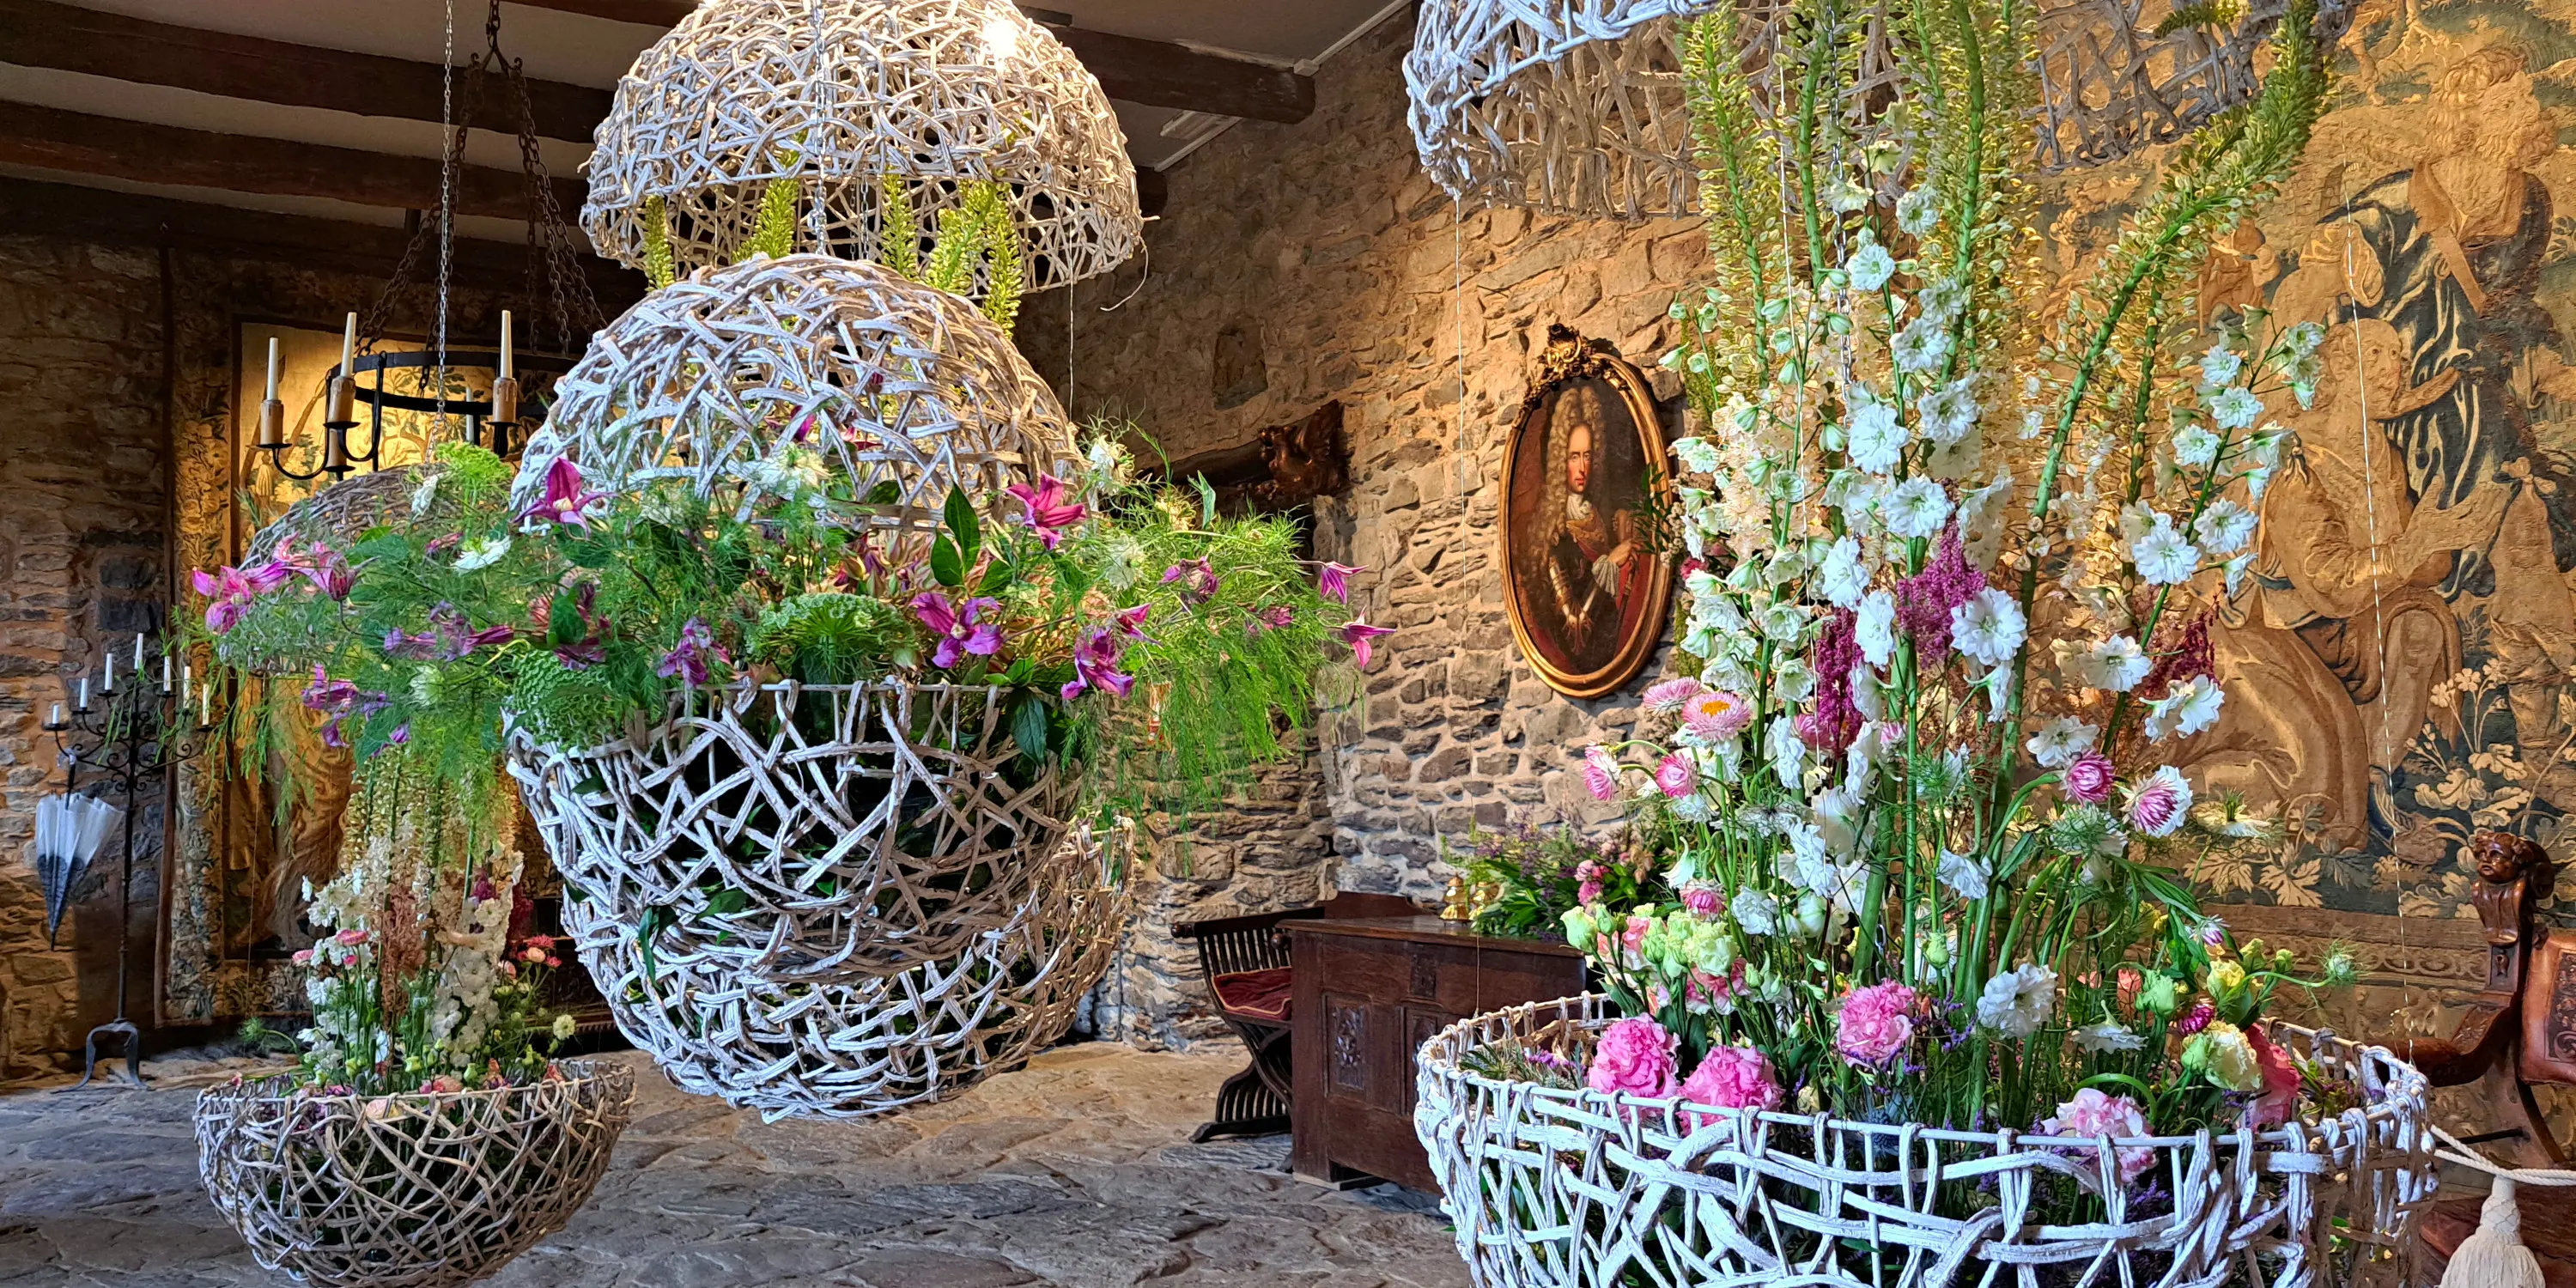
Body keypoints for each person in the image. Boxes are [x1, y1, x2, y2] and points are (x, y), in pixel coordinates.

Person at [1522, 381, 1645, 674]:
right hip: (1589, 662)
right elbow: (1574, 628)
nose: (1582, 468)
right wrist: (1610, 564)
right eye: (1573, 456)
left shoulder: (1598, 514)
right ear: (1558, 461)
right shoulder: (1554, 536)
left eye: (1588, 455)